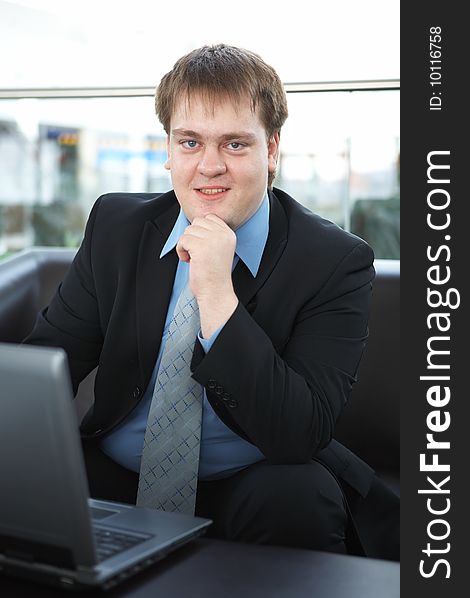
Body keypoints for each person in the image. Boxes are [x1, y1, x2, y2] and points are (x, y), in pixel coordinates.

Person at [24, 44, 398, 559]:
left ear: (272, 150)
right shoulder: (116, 226)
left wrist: (218, 295)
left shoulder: (335, 261)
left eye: (235, 145)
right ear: (170, 149)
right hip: (117, 466)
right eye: (191, 142)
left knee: (297, 497)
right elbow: (50, 360)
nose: (210, 166)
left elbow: (297, 433)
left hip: (256, 476)